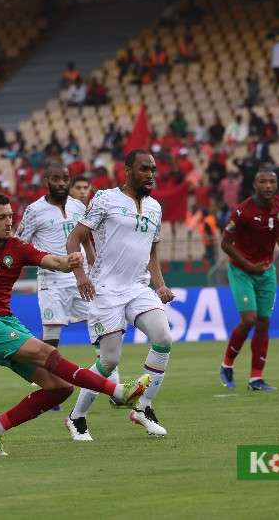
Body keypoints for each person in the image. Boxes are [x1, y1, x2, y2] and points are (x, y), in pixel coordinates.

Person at [0, 193, 149, 456]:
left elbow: (54, 262)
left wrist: (71, 262)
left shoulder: (17, 248)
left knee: (60, 388)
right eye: (2, 217)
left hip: (7, 323)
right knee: (47, 352)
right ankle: (118, 392)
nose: (9, 222)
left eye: (10, 216)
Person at [64, 149, 176, 440]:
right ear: (127, 170)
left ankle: (144, 407)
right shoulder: (105, 199)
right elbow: (74, 238)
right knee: (110, 361)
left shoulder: (155, 207)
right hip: (106, 289)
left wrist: (160, 284)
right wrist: (80, 277)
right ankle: (76, 417)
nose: (150, 175)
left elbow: (151, 251)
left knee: (163, 338)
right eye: (143, 169)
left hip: (138, 287)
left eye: (153, 169)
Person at [15, 164, 94, 410]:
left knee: (102, 324)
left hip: (80, 277)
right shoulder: (34, 210)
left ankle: (108, 377)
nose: (61, 183)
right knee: (52, 337)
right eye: (56, 179)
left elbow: (86, 239)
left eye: (65, 179)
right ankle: (50, 388)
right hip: (51, 279)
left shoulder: (78, 207)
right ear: (47, 180)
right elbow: (19, 243)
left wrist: (92, 266)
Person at [219, 167, 279, 392]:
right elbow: (225, 244)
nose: (268, 186)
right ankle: (227, 364)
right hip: (242, 271)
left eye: (272, 182)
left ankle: (256, 378)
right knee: (249, 319)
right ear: (255, 185)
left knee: (264, 322)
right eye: (263, 182)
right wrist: (248, 265)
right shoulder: (242, 211)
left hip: (266, 272)